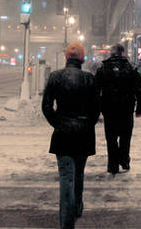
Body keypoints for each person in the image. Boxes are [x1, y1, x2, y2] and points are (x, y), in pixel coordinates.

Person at [42, 42, 100, 229]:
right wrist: (86, 124)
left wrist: (58, 123)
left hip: (63, 135)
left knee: (66, 177)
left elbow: (46, 107)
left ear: (66, 57)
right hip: (83, 134)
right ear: (82, 59)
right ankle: (76, 208)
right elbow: (96, 109)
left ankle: (66, 223)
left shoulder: (55, 77)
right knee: (79, 173)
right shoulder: (89, 79)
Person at [95, 43, 141, 175]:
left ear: (112, 53)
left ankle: (113, 164)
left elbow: (95, 90)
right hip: (126, 108)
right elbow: (140, 89)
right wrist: (139, 108)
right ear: (123, 53)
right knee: (125, 136)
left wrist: (98, 107)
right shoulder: (131, 68)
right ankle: (124, 160)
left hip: (109, 109)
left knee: (111, 138)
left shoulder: (103, 68)